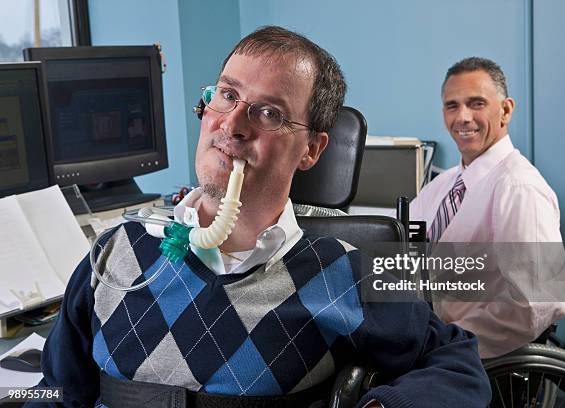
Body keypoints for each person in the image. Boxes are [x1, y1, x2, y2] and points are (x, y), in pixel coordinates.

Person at [30, 28, 490, 407]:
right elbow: (53, 389)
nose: (232, 124)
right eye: (227, 95)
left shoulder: (350, 275)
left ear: (312, 149)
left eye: (269, 113)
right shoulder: (113, 255)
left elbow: (460, 364)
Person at [410, 57, 565, 358]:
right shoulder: (443, 184)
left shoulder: (519, 187)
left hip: (463, 352)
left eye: (476, 103)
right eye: (452, 106)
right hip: (420, 333)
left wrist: (452, 340)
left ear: (506, 110)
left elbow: (543, 300)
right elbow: (401, 240)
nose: (462, 117)